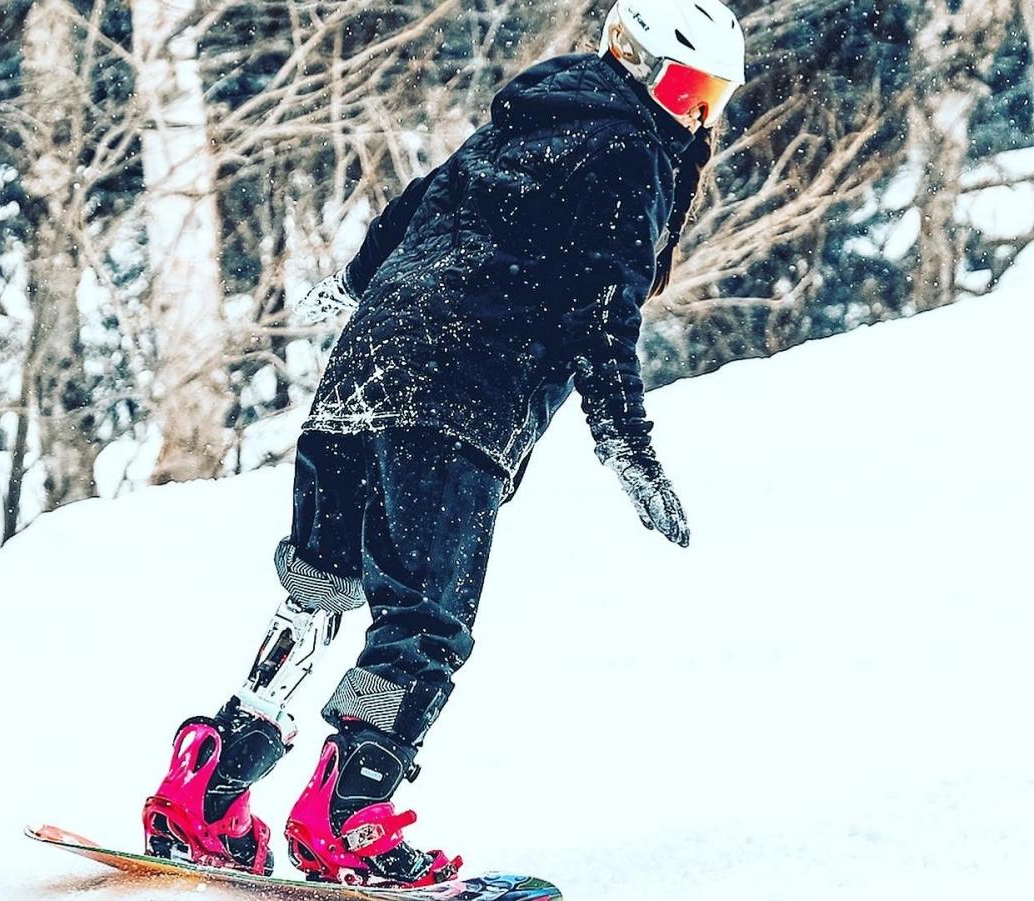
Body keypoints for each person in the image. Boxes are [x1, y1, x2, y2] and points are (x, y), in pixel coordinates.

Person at [142, 0, 746, 888]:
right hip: (455, 399)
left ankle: (210, 785)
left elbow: (403, 217)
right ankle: (349, 812)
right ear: (640, 63)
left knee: (318, 589)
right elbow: (604, 311)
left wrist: (353, 291)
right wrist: (628, 444)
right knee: (424, 623)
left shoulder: (527, 119)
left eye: (713, 95)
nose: (697, 115)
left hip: (357, 381)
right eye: (689, 87)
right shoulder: (629, 149)